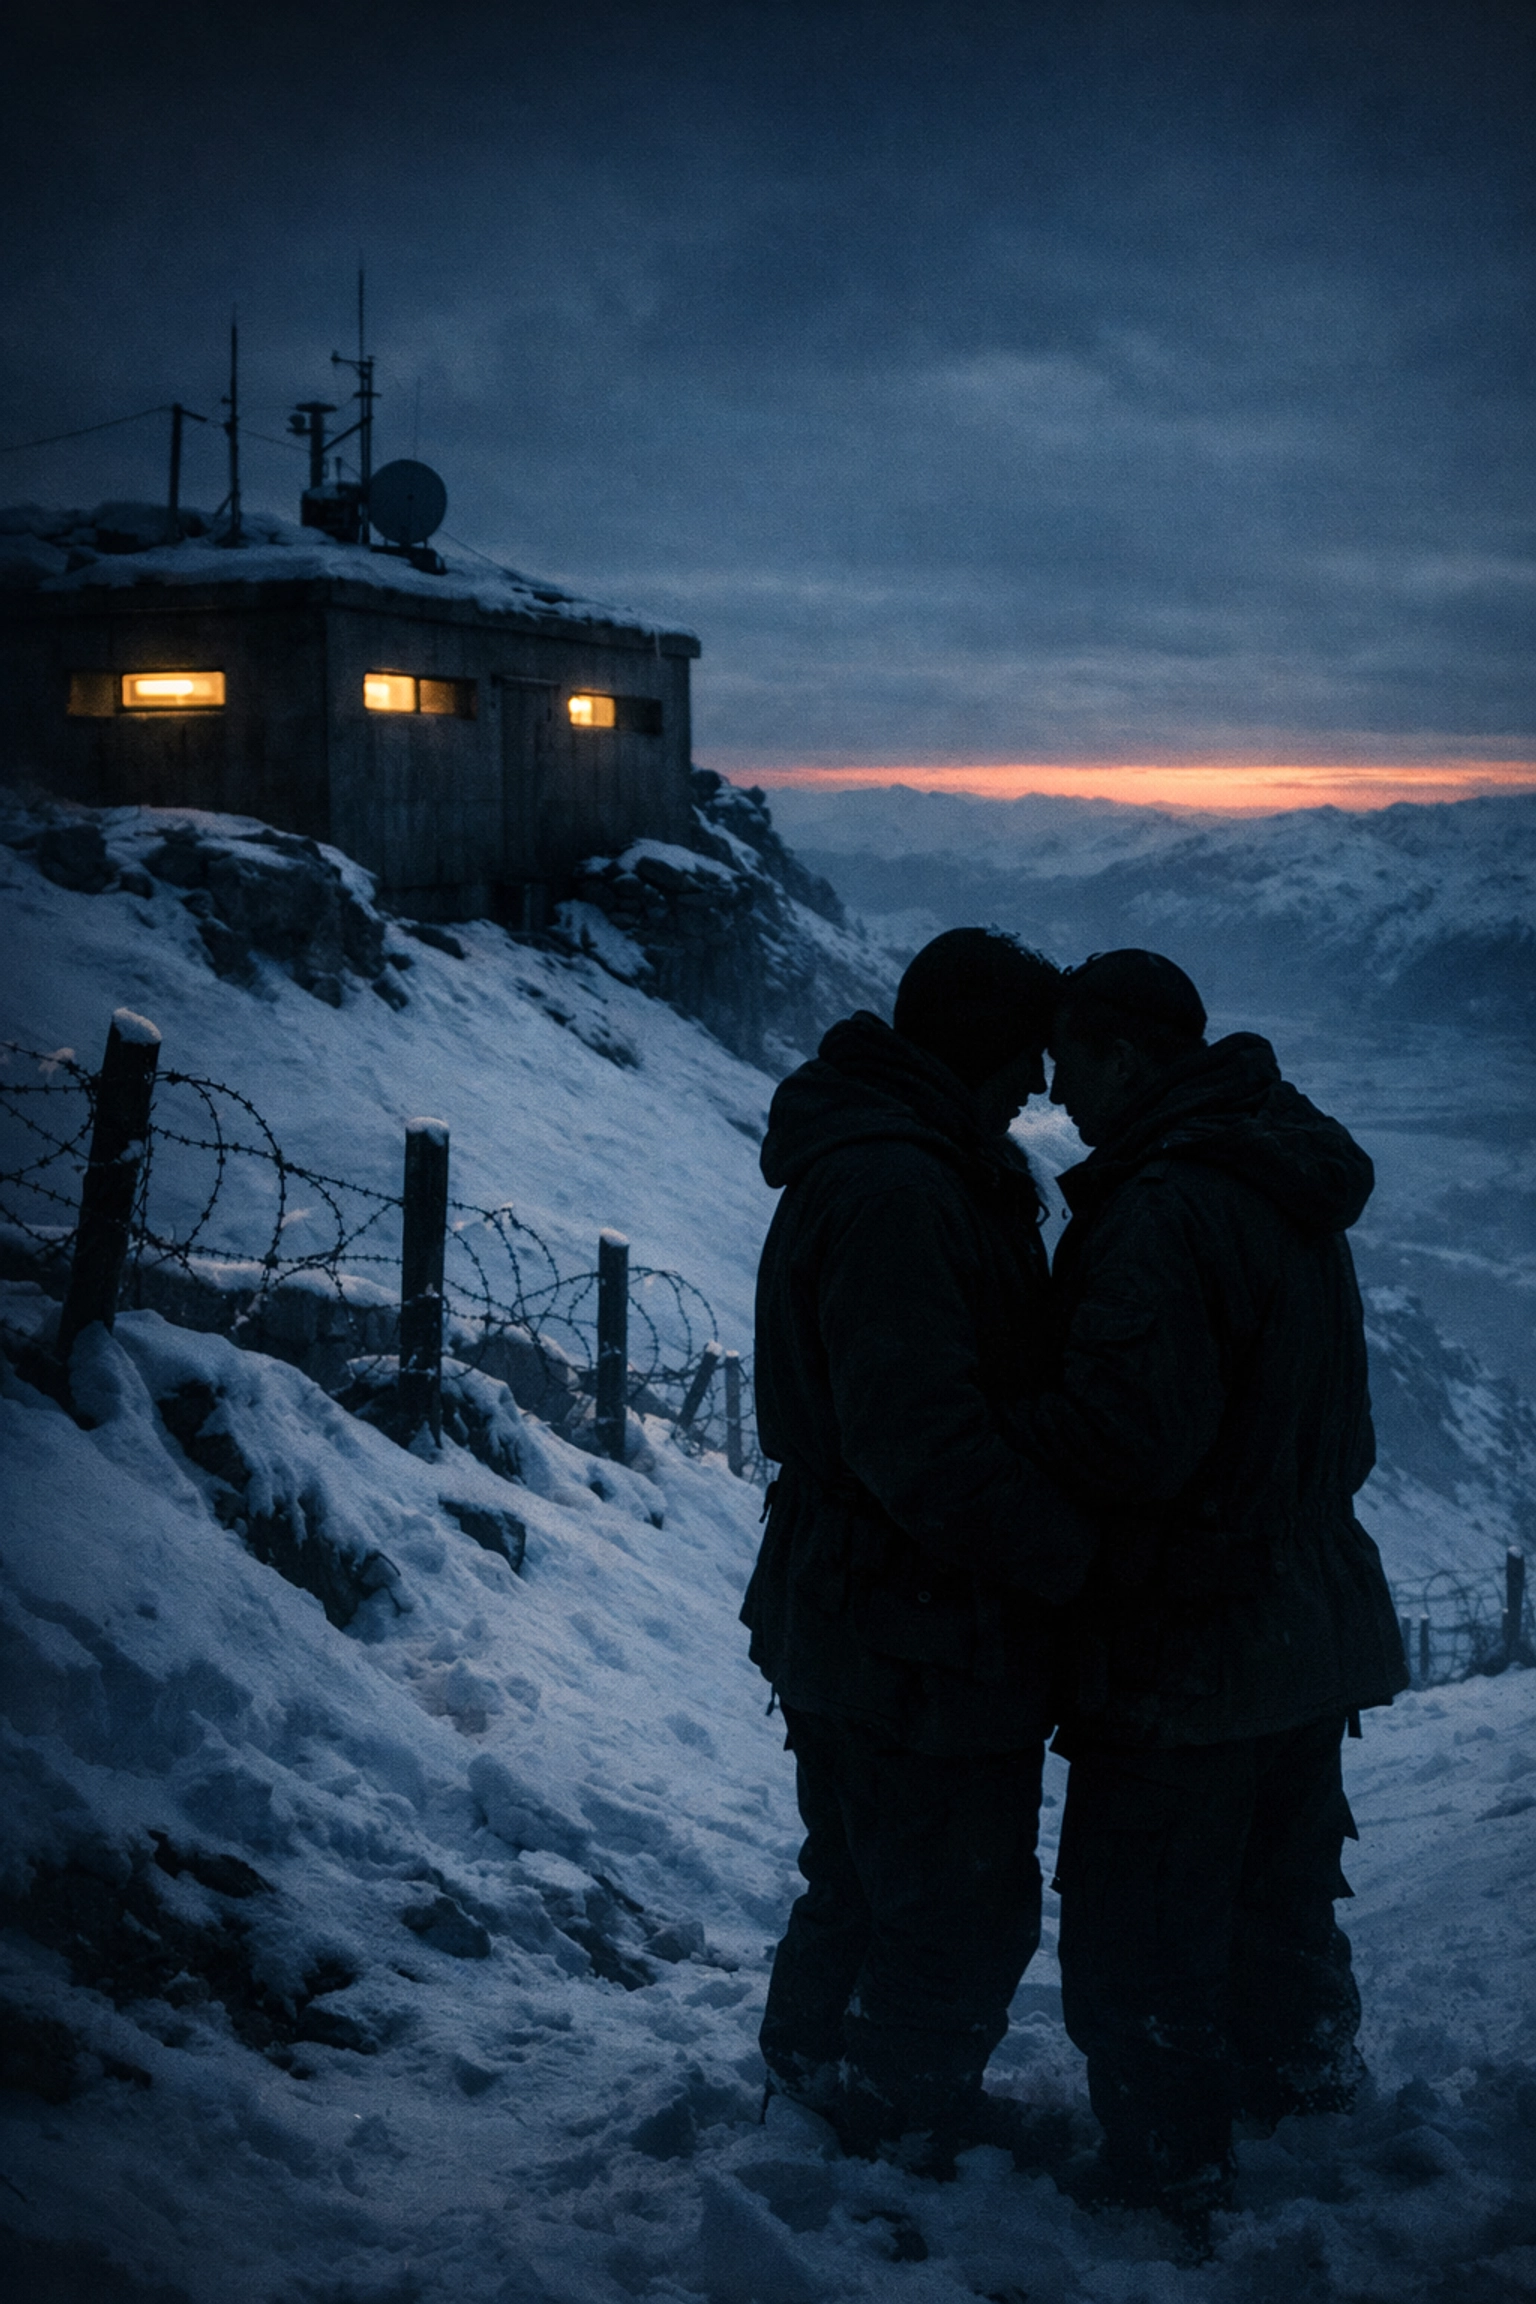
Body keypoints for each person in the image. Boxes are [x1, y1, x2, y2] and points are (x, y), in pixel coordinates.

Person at [1018, 949, 1408, 2234]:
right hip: (1307, 1616)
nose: (1056, 1091)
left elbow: (1136, 1444)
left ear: (1127, 1057)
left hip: (1190, 1639)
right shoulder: (1279, 1170)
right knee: (1278, 1898)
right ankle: (1305, 2115)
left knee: (1143, 1926)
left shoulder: (1162, 1207)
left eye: (1071, 1062)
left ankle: (1164, 2181)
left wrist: (1020, 1419)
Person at [742, 927, 1098, 2172]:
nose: (1036, 1091)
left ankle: (819, 2095)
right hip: (908, 1616)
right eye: (1023, 1062)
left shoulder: (906, 1160)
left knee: (866, 1870)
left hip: (865, 1603)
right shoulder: (903, 1185)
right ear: (977, 1052)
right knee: (953, 1891)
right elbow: (923, 1445)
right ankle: (902, 2124)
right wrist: (1071, 1555)